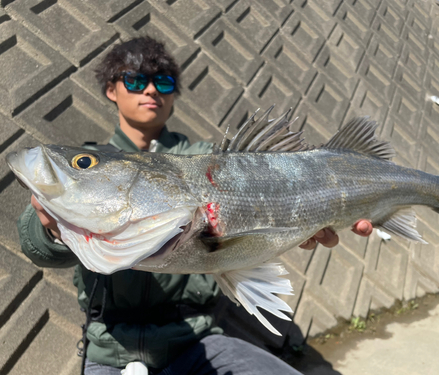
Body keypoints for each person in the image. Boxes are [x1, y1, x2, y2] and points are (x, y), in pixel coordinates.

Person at [17, 36, 373, 374]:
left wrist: (297, 228)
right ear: (111, 90)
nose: (152, 90)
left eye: (164, 82)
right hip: (110, 347)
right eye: (136, 80)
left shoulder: (210, 161)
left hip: (196, 338)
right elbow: (39, 247)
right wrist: (51, 227)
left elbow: (261, 226)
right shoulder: (93, 163)